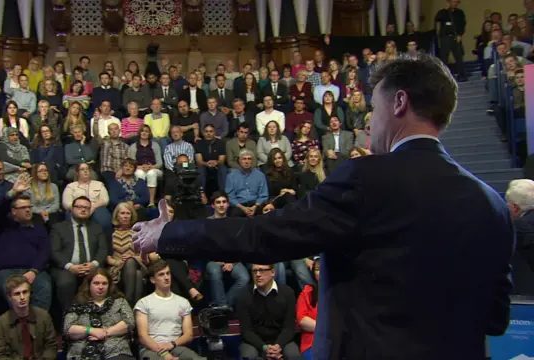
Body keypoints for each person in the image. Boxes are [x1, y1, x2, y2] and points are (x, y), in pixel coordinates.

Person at [132, 55, 514, 360]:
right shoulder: (492, 203)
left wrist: (168, 232)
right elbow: (496, 320)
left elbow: (268, 235)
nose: (370, 122)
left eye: (374, 109)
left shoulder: (366, 178)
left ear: (399, 102)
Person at [0, 275, 58, 360]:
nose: (22, 297)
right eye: (17, 294)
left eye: (25, 292)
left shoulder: (43, 316)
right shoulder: (1, 322)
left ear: (30, 293)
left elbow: (52, 346)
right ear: (9, 297)